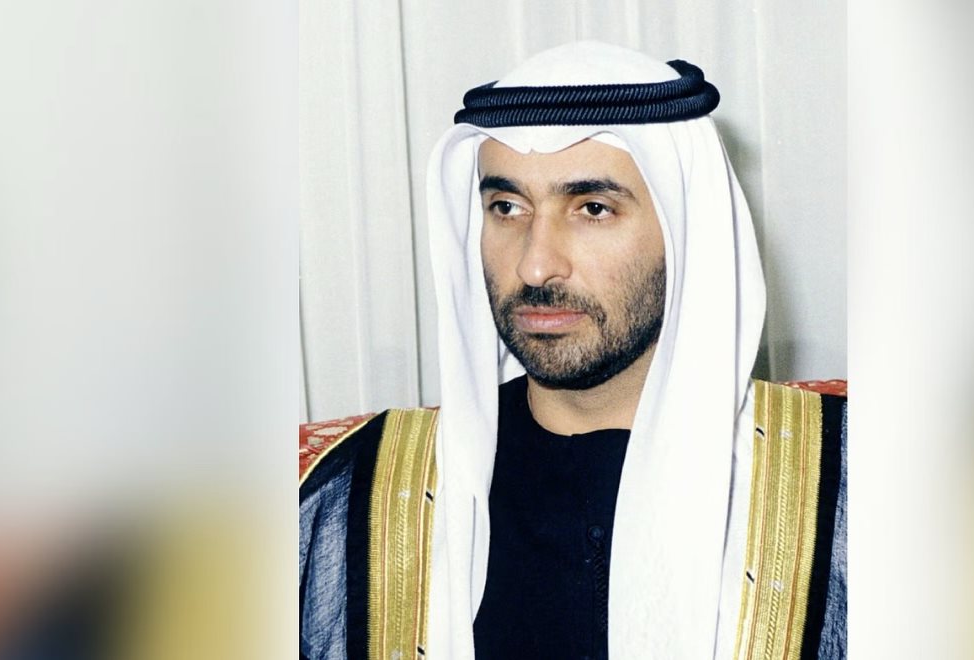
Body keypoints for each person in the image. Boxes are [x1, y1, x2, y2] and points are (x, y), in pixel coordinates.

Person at [300, 41, 846, 660]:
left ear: (686, 230)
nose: (535, 265)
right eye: (507, 207)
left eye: (592, 208)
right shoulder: (363, 489)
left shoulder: (850, 482)